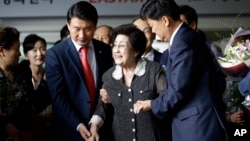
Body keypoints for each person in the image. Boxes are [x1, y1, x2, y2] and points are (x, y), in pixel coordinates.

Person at [133, 0, 228, 141]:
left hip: (198, 124)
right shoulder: (186, 36)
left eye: (152, 26)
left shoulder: (181, 43)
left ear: (165, 20)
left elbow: (179, 88)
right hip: (199, 118)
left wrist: (152, 104)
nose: (153, 31)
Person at [45, 1, 113, 141]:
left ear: (95, 26)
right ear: (68, 25)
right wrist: (78, 124)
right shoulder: (55, 54)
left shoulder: (105, 51)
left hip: (101, 128)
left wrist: (96, 121)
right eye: (76, 28)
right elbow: (58, 97)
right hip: (69, 130)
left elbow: (106, 88)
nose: (82, 35)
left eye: (88, 29)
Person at [88, 23, 167, 141]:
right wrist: (94, 128)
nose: (116, 50)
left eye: (122, 46)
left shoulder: (154, 70)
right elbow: (102, 107)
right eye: (114, 46)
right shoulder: (109, 76)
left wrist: (150, 104)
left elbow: (166, 99)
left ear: (136, 51)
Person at [0, 27, 42, 141]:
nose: (19, 54)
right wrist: (5, 124)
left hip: (26, 135)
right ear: (2, 51)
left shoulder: (22, 72)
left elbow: (34, 102)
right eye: (16, 49)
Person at [19, 34, 52, 141]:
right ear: (26, 54)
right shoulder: (20, 75)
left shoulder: (51, 73)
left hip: (49, 129)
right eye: (34, 50)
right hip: (27, 129)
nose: (39, 53)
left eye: (43, 49)